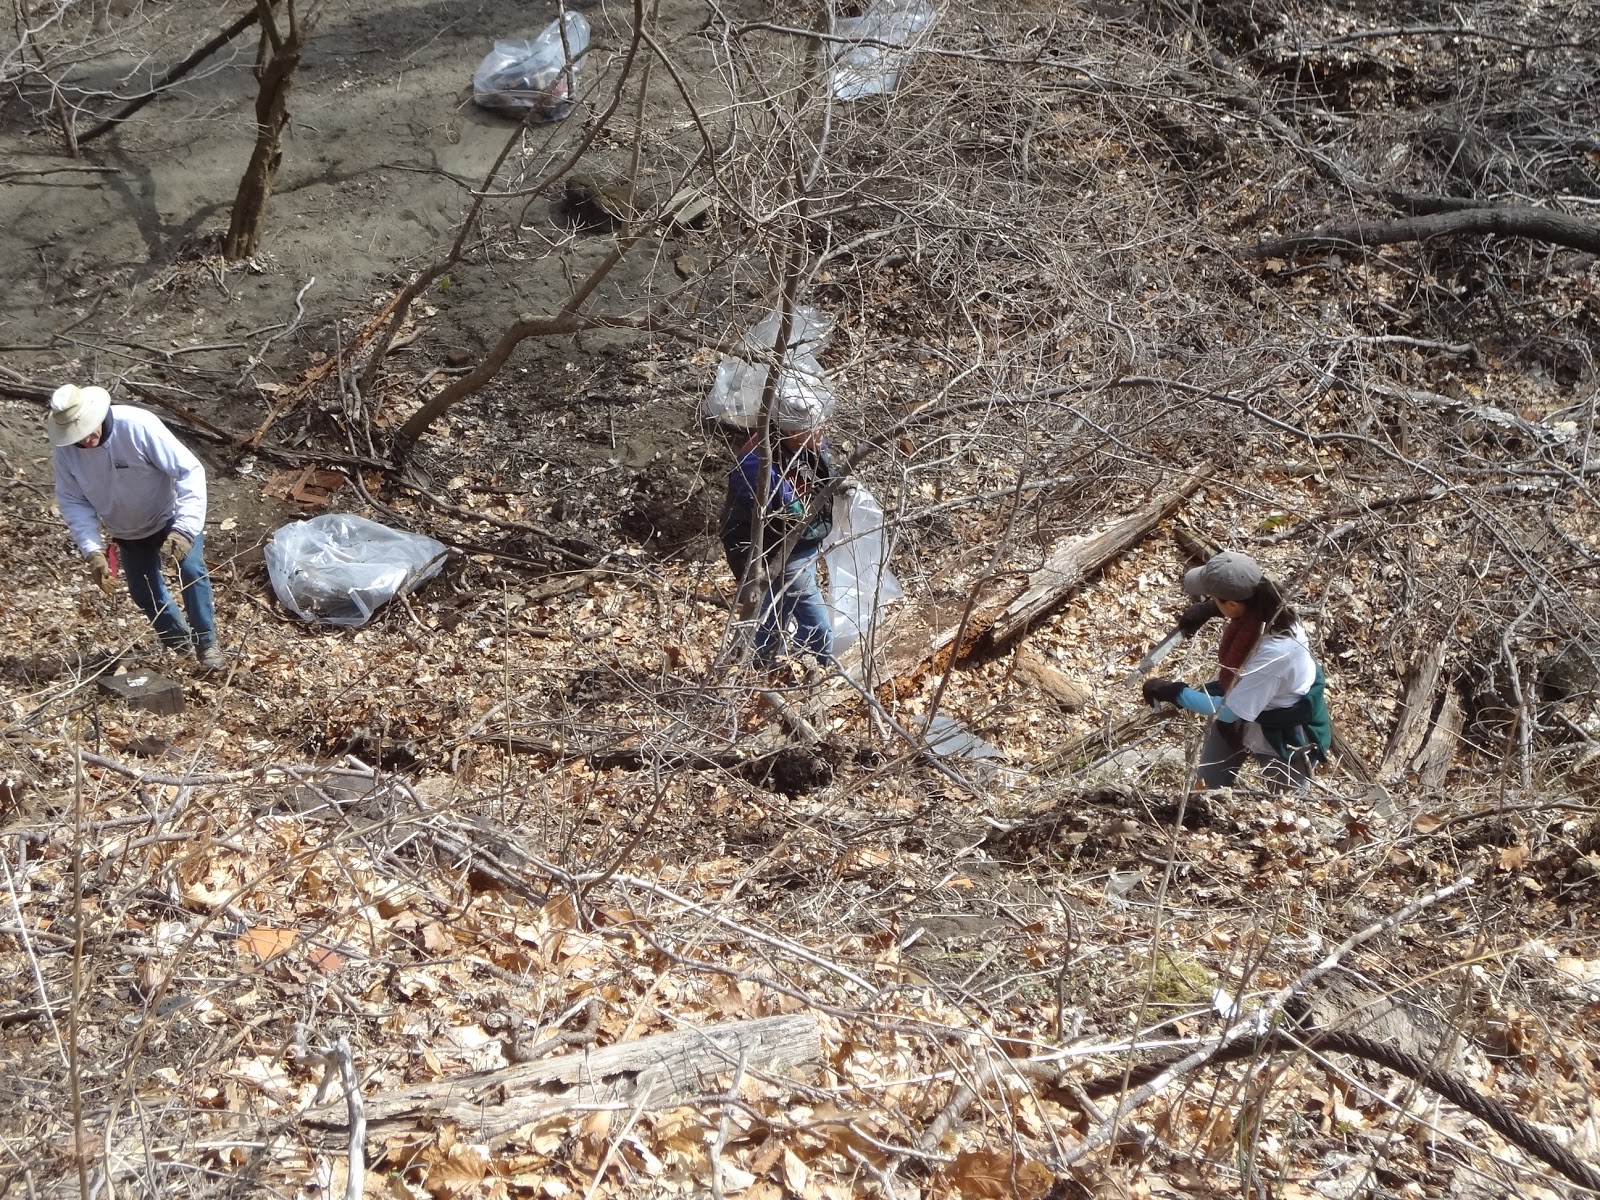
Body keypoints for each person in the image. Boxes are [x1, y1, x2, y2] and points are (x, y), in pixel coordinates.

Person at [48, 384, 226, 671]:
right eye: (78, 435)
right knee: (143, 593)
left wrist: (184, 528)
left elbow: (189, 471)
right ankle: (178, 646)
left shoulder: (137, 426)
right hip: (126, 531)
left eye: (88, 429)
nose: (86, 439)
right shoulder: (66, 453)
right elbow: (73, 501)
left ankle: (206, 643)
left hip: (170, 518)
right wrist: (92, 550)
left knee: (191, 572)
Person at [1141, 550, 1330, 793]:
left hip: (1283, 732)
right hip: (1243, 705)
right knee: (1207, 789)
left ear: (1232, 604)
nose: (1212, 601)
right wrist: (1210, 609)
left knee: (1285, 807)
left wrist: (1175, 692)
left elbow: (1228, 712)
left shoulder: (1275, 652)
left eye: (1214, 598)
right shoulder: (1267, 604)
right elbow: (1243, 605)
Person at [719, 390, 837, 667]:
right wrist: (816, 502)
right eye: (814, 428)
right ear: (790, 430)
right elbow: (787, 512)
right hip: (776, 550)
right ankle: (821, 670)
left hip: (802, 545)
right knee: (816, 624)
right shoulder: (757, 461)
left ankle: (761, 664)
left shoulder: (807, 443)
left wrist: (836, 485)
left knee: (776, 609)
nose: (822, 432)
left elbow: (818, 473)